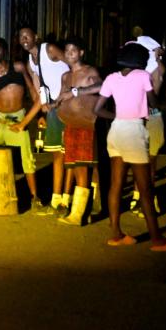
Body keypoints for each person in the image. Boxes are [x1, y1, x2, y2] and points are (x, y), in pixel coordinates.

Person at [94, 43, 166, 251]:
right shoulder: (143, 76)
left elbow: (97, 109)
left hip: (116, 131)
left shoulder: (111, 78)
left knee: (116, 185)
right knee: (145, 189)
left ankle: (116, 234)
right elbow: (154, 104)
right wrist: (165, 93)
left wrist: (118, 116)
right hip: (134, 131)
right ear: (140, 61)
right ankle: (157, 240)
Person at [0, 37, 44, 211]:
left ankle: (35, 197)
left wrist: (38, 115)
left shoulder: (18, 67)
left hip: (17, 118)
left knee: (27, 158)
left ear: (4, 51)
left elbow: (32, 91)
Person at [19, 27, 70, 215]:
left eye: (27, 35)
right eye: (21, 37)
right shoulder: (31, 61)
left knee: (72, 154)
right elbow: (38, 86)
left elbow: (73, 65)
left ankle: (69, 198)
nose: (24, 39)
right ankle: (56, 200)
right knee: (57, 153)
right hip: (54, 107)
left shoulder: (49, 50)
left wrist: (67, 91)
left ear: (36, 37)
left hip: (69, 103)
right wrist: (44, 107)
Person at [54, 37, 101, 226]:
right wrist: (54, 104)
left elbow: (102, 86)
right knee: (73, 166)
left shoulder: (90, 71)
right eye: (66, 51)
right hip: (70, 125)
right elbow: (61, 96)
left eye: (73, 50)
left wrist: (75, 92)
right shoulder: (65, 76)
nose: (69, 53)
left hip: (85, 125)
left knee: (82, 167)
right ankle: (81, 212)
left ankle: (77, 215)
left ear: (81, 52)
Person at [128, 35, 165, 215]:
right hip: (138, 118)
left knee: (149, 162)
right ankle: (138, 196)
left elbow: (152, 98)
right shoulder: (141, 69)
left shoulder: (155, 69)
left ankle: (149, 200)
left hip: (151, 118)